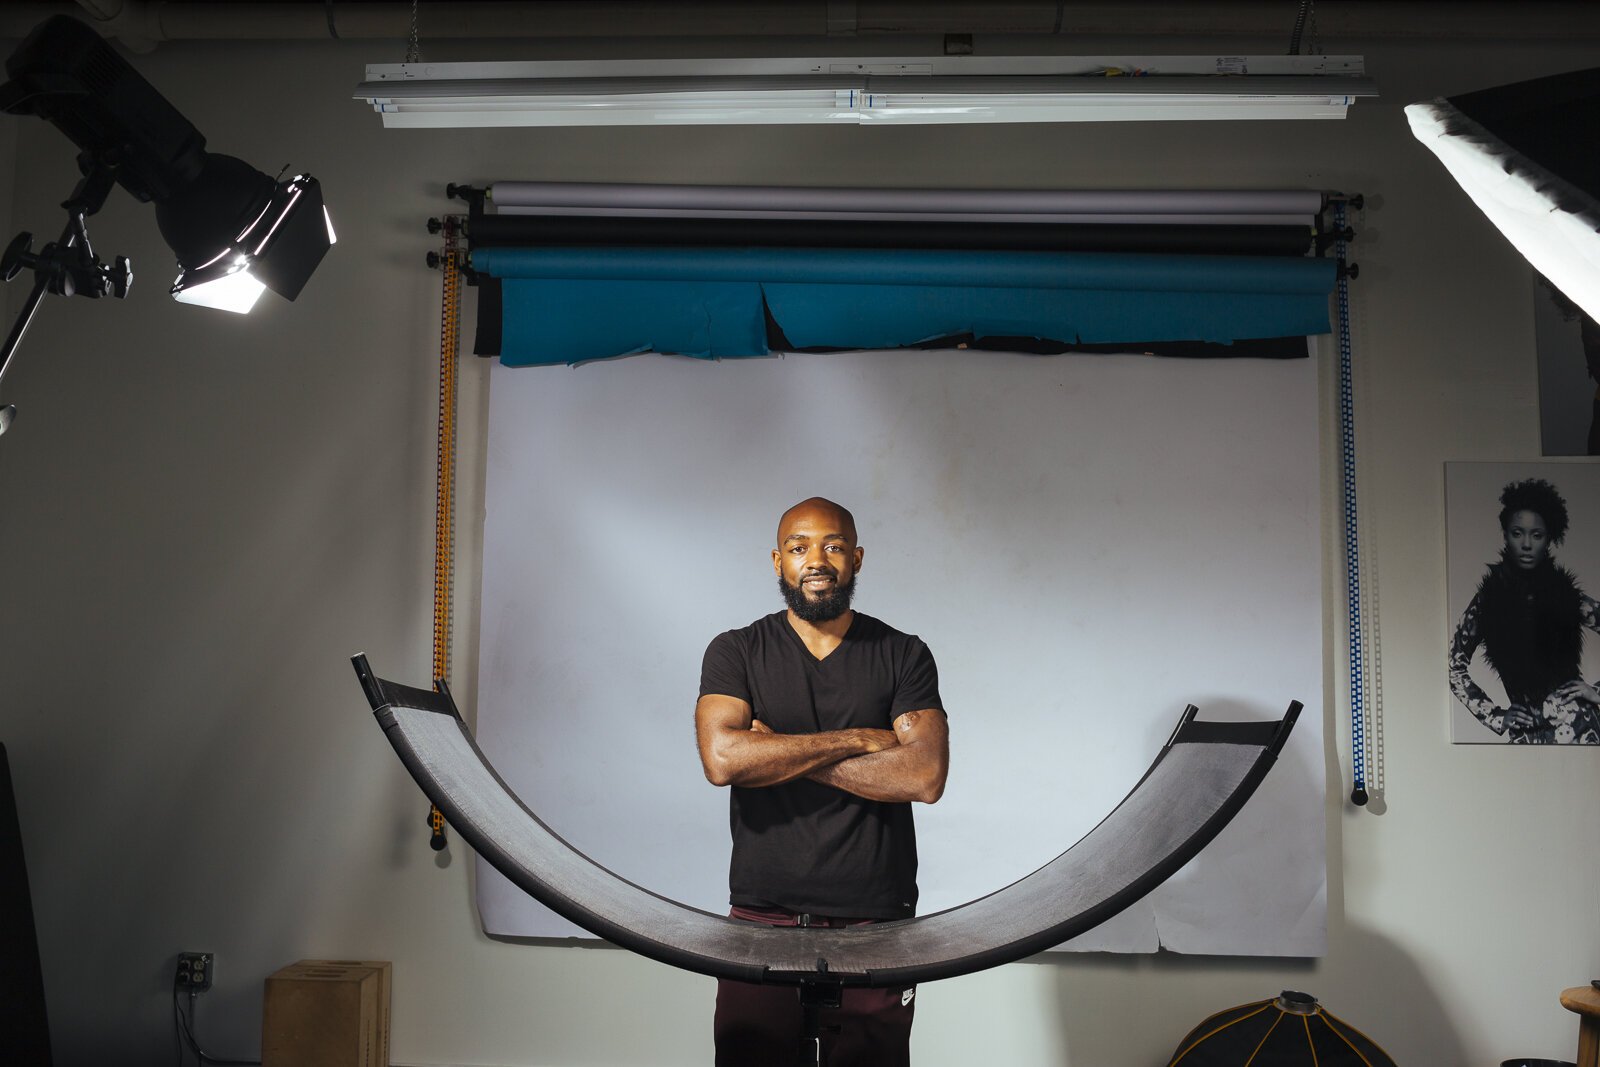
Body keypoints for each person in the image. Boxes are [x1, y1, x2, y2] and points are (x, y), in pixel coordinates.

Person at [695, 496, 949, 1065]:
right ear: (777, 560)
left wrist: (775, 749)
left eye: (833, 546)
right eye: (799, 547)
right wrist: (860, 739)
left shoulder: (904, 654)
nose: (817, 559)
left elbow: (925, 774)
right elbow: (722, 760)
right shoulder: (736, 650)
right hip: (763, 913)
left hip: (876, 919)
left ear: (856, 558)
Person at [1449, 478, 1600, 743]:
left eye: (1537, 535)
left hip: (1580, 732)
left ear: (1549, 538)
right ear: (1506, 535)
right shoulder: (1488, 600)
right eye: (1517, 533)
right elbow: (1455, 667)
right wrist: (1496, 716)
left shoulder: (1565, 594)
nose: (1527, 544)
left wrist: (1597, 693)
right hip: (1526, 738)